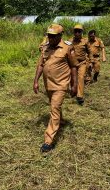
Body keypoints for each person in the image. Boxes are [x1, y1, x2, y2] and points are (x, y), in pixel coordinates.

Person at [33, 24, 78, 153]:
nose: (50, 38)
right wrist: (36, 81)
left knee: (54, 108)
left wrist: (74, 85)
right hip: (48, 84)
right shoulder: (45, 47)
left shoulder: (67, 48)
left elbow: (74, 67)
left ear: (60, 35)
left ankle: (48, 141)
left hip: (61, 85)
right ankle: (61, 120)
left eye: (53, 36)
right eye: (49, 36)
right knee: (55, 107)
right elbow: (41, 65)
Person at [70, 24, 90, 105]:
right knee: (71, 77)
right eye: (76, 31)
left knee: (81, 77)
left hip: (82, 63)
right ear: (74, 32)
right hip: (72, 63)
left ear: (82, 32)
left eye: (79, 31)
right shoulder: (70, 41)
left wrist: (91, 61)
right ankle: (73, 91)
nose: (77, 33)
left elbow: (90, 52)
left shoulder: (85, 41)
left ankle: (79, 96)